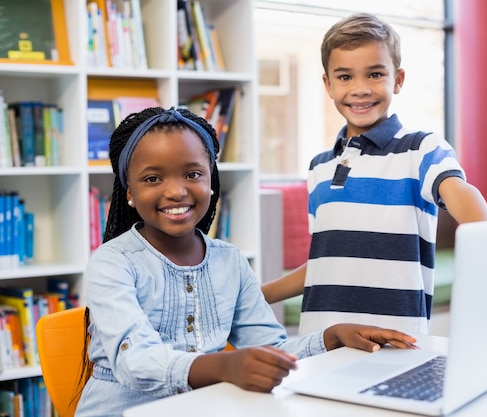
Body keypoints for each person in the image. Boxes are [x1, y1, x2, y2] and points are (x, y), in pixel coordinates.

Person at [74, 107, 417, 417]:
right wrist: (225, 366)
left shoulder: (230, 261)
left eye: (192, 174)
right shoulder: (112, 263)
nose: (176, 191)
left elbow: (270, 348)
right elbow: (135, 361)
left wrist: (331, 337)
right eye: (153, 179)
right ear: (129, 192)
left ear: (212, 182)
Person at [261, 13, 487, 337]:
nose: (361, 89)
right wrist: (259, 295)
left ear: (398, 79)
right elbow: (324, 261)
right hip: (320, 342)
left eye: (375, 74)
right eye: (345, 77)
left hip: (396, 343)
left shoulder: (421, 149)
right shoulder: (319, 168)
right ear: (327, 84)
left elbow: (461, 193)